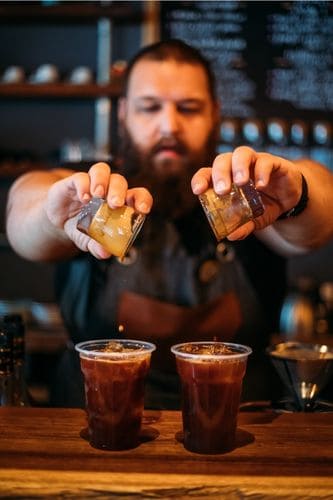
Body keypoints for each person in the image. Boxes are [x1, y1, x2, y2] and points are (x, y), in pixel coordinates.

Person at [6, 40, 333, 409]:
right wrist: (55, 214)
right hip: (95, 428)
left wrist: (297, 194)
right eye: (150, 108)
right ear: (124, 113)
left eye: (188, 109)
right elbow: (23, 207)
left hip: (239, 429)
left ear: (215, 113)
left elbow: (320, 211)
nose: (169, 125)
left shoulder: (249, 195)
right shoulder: (89, 193)